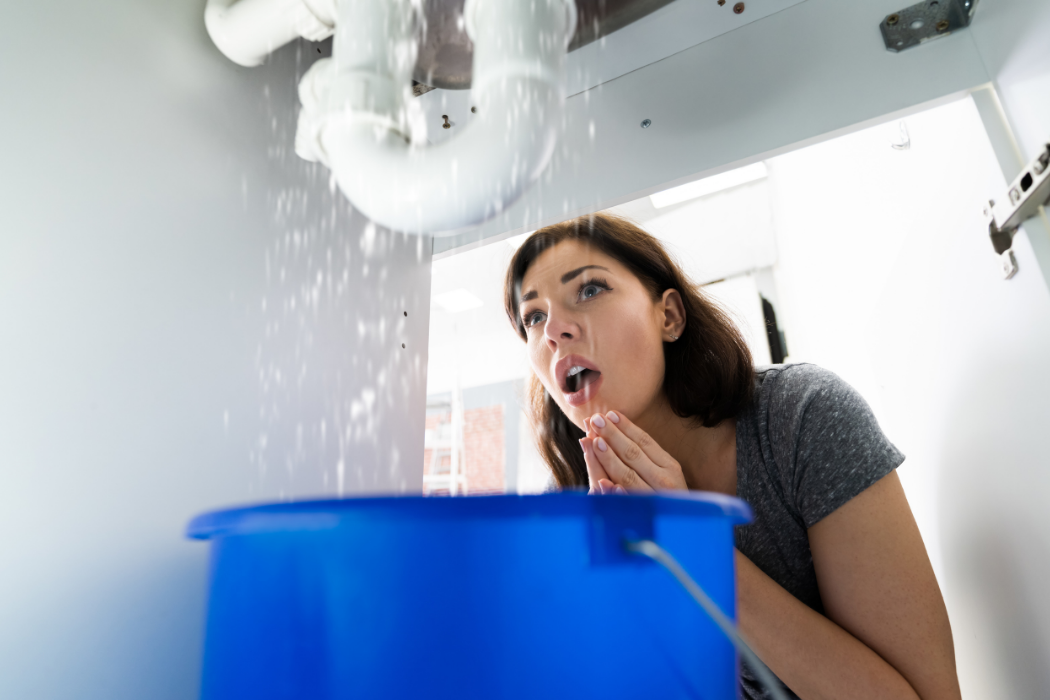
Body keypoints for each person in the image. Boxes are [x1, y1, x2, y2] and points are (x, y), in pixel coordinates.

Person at [502, 213, 961, 700]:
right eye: (533, 317)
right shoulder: (565, 507)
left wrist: (695, 547)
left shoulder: (800, 419)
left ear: (669, 316)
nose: (554, 331)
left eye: (590, 289)